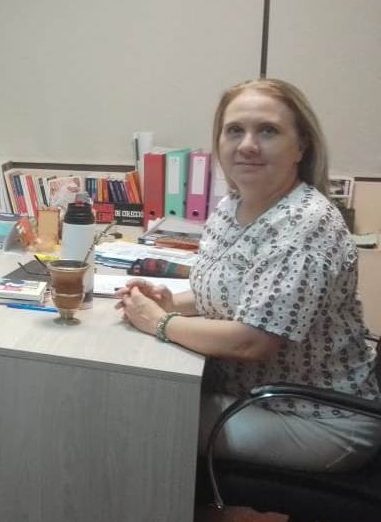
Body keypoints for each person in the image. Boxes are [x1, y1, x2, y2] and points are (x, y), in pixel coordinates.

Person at [116, 78, 381, 472]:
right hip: (253, 394)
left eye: (268, 131)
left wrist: (160, 322)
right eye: (235, 130)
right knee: (135, 394)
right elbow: (235, 290)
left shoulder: (305, 223)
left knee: (143, 415)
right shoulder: (233, 204)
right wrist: (171, 303)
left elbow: (253, 340)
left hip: (318, 417)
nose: (247, 145)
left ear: (301, 146)